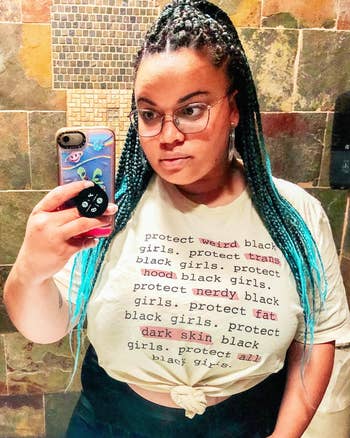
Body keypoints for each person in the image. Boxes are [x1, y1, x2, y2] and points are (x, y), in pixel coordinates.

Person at [4, 0, 350, 437]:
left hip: (245, 425)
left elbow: (317, 337)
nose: (168, 136)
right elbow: (46, 328)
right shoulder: (113, 210)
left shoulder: (296, 215)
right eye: (149, 114)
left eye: (191, 110)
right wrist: (32, 270)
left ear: (234, 107)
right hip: (112, 424)